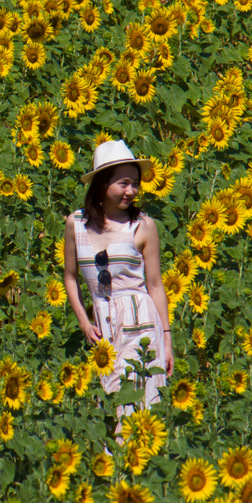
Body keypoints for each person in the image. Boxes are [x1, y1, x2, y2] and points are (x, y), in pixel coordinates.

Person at [63, 140, 172, 417]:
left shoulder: (143, 226)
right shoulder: (76, 224)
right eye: (123, 183)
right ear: (102, 184)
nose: (131, 191)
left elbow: (155, 285)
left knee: (140, 407)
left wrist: (167, 339)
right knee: (107, 409)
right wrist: (84, 322)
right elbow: (70, 277)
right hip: (102, 326)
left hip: (141, 323)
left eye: (135, 184)